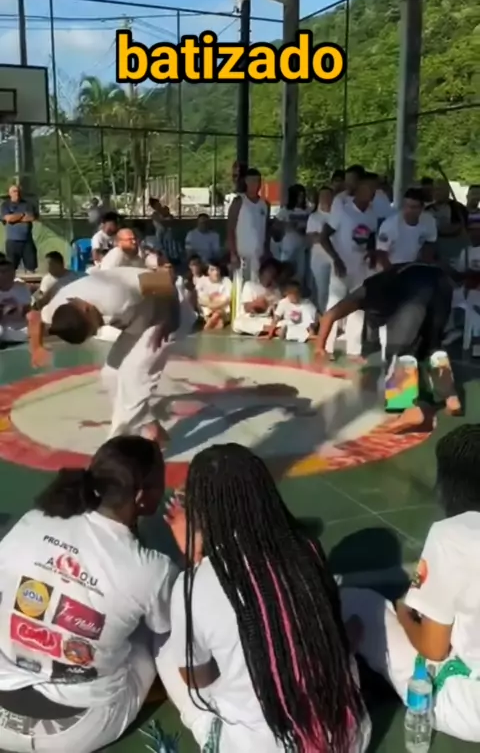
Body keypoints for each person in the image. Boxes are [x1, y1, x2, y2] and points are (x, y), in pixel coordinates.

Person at [158, 443, 370, 753]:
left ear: (202, 512)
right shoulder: (307, 549)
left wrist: (196, 562)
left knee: (167, 655)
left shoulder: (194, 585)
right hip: (346, 741)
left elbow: (196, 678)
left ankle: (209, 733)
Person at [0, 435, 177, 753]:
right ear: (140, 496)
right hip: (73, 732)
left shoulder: (33, 520)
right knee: (155, 632)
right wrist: (197, 554)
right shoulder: (153, 568)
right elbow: (172, 630)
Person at [341, 424, 480, 743]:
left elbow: (434, 649)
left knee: (358, 603)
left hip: (470, 707)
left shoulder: (450, 534)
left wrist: (405, 614)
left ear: (447, 485)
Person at [27, 267, 180, 445]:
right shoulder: (57, 308)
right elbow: (34, 316)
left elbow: (165, 279)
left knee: (134, 377)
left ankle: (116, 443)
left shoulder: (114, 295)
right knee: (110, 375)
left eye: (93, 329)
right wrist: (36, 347)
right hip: (137, 322)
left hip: (165, 314)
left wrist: (172, 317)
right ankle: (149, 425)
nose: (97, 330)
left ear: (86, 308)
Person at [316, 261, 461, 429]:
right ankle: (451, 398)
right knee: (432, 345)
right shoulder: (384, 286)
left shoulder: (364, 293)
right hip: (441, 283)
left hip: (416, 288)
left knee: (398, 350)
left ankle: (408, 409)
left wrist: (319, 346)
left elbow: (329, 315)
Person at [320, 177, 377, 360]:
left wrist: (371, 253)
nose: (370, 195)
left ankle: (354, 350)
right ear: (358, 191)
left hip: (361, 268)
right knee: (335, 304)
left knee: (358, 307)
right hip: (341, 267)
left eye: (373, 191)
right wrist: (336, 259)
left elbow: (371, 236)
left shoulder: (372, 213)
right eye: (367, 190)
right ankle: (326, 347)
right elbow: (323, 237)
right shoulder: (343, 210)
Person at [376, 187, 438, 268]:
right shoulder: (389, 225)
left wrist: (425, 265)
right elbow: (381, 254)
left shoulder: (429, 221)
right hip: (391, 265)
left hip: (415, 265)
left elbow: (429, 244)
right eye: (406, 205)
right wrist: (392, 272)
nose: (408, 210)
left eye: (413, 207)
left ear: (422, 208)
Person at [227, 168, 269, 282]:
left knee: (256, 286)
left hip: (259, 255)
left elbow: (265, 229)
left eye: (258, 181)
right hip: (242, 255)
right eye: (252, 181)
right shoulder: (239, 201)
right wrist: (233, 254)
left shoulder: (264, 204)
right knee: (242, 286)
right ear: (246, 181)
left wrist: (266, 251)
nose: (255, 184)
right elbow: (230, 228)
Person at [232, 259, 280, 337]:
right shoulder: (249, 285)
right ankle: (270, 330)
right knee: (237, 323)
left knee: (281, 323)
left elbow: (278, 312)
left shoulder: (276, 291)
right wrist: (259, 303)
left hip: (267, 319)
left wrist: (273, 307)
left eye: (273, 273)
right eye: (268, 272)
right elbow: (247, 308)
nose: (270, 275)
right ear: (261, 273)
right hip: (252, 318)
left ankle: (269, 329)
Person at [306, 186, 333, 312]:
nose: (325, 198)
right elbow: (310, 238)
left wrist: (321, 236)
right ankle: (323, 315)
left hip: (336, 259)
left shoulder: (338, 215)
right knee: (322, 291)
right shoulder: (314, 217)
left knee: (335, 292)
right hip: (319, 260)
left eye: (328, 195)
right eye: (323, 196)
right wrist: (326, 236)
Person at [275, 184, 309, 282]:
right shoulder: (285, 211)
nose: (301, 198)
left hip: (302, 246)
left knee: (300, 273)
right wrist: (287, 225)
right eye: (299, 196)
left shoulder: (307, 210)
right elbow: (275, 225)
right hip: (288, 246)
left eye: (303, 196)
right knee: (286, 271)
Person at [1, 183, 38, 272]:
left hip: (27, 241)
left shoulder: (27, 204)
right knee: (10, 268)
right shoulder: (5, 205)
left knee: (31, 267)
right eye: (14, 191)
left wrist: (14, 218)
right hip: (12, 242)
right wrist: (22, 215)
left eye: (18, 191)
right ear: (10, 193)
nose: (16, 193)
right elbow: (8, 219)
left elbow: (31, 217)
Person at [0, 259, 31, 343]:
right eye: (2, 271)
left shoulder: (22, 288)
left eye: (9, 271)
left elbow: (26, 311)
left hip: (20, 328)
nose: (6, 274)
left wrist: (14, 309)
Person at [196, 261, 232, 330]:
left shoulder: (226, 281)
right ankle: (214, 318)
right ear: (207, 272)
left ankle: (215, 318)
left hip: (223, 311)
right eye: (212, 270)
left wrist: (213, 306)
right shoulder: (202, 281)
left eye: (217, 269)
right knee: (204, 299)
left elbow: (228, 300)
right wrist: (211, 304)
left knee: (223, 300)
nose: (216, 272)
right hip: (208, 311)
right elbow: (200, 300)